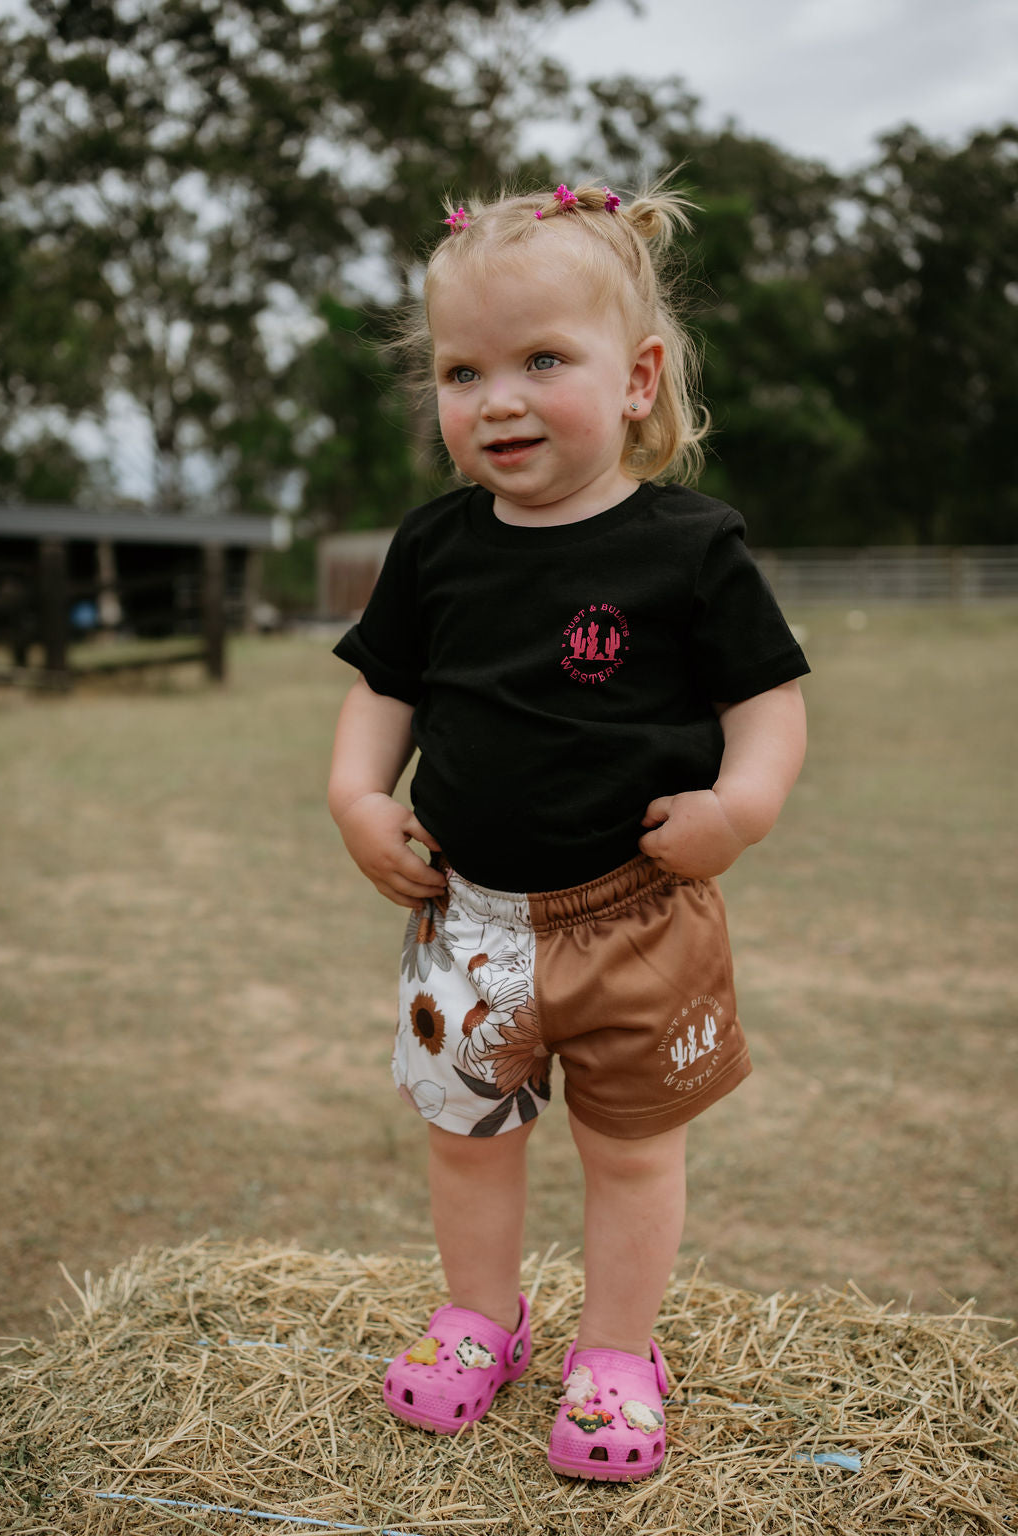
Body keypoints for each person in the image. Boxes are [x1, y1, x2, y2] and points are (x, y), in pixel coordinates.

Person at [327, 178, 808, 1482]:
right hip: (467, 923)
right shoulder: (433, 548)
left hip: (635, 917)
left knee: (632, 1153)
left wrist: (741, 807)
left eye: (544, 359)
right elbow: (386, 692)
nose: (498, 399)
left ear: (640, 376)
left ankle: (615, 1353)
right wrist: (362, 799)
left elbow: (768, 704)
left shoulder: (691, 548)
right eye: (462, 369)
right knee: (464, 1141)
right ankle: (484, 1318)